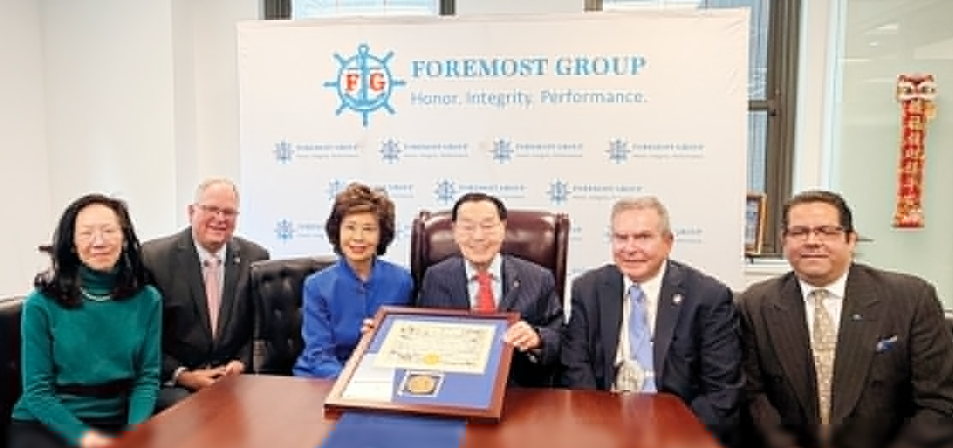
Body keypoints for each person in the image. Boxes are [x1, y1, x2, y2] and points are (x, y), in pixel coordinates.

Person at [737, 189, 953, 448]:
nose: (812, 241)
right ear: (784, 241)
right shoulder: (755, 304)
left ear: (851, 240)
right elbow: (754, 398)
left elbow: (938, 403)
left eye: (826, 231)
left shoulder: (911, 298)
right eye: (799, 232)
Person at [560, 196, 742, 446]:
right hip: (604, 426)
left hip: (678, 431)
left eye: (643, 237)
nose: (630, 248)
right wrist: (599, 426)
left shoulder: (707, 297)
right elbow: (575, 368)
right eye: (621, 237)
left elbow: (722, 391)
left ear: (668, 243)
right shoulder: (588, 289)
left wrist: (673, 436)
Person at [9, 194, 161, 448]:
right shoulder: (41, 303)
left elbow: (146, 379)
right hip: (48, 421)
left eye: (108, 231)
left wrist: (135, 433)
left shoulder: (148, 299)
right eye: (86, 233)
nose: (99, 241)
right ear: (72, 244)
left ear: (124, 239)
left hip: (116, 418)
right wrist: (85, 438)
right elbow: (38, 393)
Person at [141, 178, 269, 411]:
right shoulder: (153, 259)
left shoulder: (255, 258)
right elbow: (144, 337)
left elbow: (259, 327)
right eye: (211, 209)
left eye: (228, 212)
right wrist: (183, 375)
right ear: (191, 212)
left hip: (235, 378)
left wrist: (241, 362)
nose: (220, 219)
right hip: (176, 383)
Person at [416, 192, 563, 388]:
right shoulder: (435, 277)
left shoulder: (538, 278)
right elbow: (421, 338)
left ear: (503, 228)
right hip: (453, 388)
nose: (478, 236)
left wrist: (537, 339)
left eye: (487, 226)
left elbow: (560, 338)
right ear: (454, 231)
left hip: (517, 391)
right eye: (467, 227)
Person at [293, 183, 414, 378]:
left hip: (379, 376)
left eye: (368, 229)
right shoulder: (316, 286)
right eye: (350, 227)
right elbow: (319, 356)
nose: (358, 237)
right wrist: (353, 382)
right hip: (324, 377)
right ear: (338, 231)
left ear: (381, 235)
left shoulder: (402, 281)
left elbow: (406, 346)